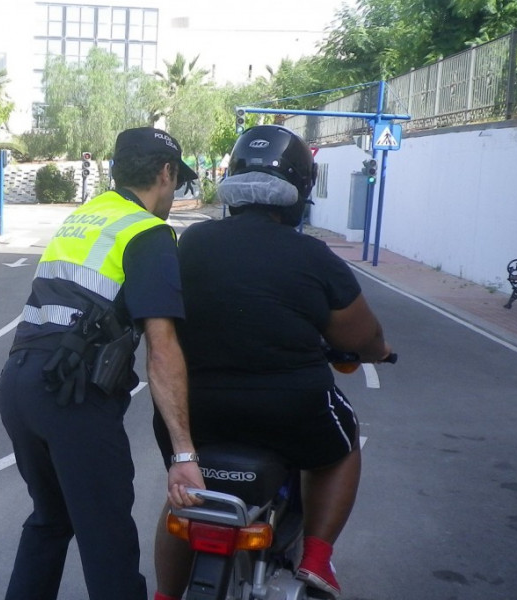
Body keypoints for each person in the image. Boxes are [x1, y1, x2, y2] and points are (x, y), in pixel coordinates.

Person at [153, 125, 391, 600]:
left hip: (194, 410)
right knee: (344, 442)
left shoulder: (193, 242)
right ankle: (318, 556)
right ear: (300, 191)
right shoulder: (312, 255)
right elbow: (361, 337)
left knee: (186, 490)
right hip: (289, 411)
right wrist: (376, 353)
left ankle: (164, 596)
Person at [0, 127, 205, 600]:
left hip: (18, 385)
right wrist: (184, 454)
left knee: (50, 520)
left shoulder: (84, 217)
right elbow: (162, 345)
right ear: (165, 173)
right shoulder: (149, 233)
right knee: (107, 537)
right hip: (73, 396)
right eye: (176, 182)